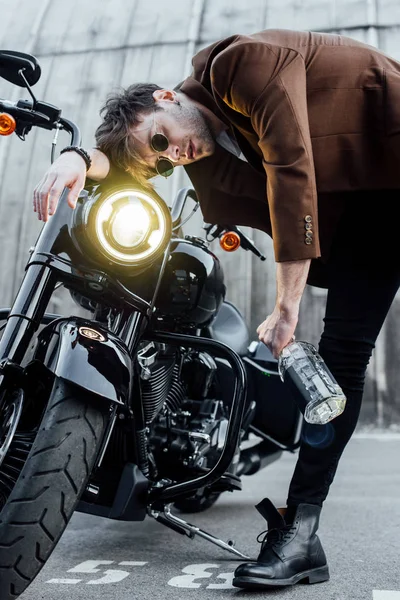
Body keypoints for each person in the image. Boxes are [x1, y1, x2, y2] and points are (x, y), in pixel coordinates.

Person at [33, 28, 400, 589]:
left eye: (160, 141)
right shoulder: (195, 154)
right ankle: (300, 534)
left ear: (164, 98)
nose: (169, 157)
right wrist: (76, 157)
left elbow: (292, 167)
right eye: (160, 163)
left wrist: (286, 306)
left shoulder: (237, 66)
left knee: (334, 361)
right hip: (362, 222)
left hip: (389, 161)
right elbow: (118, 159)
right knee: (337, 372)